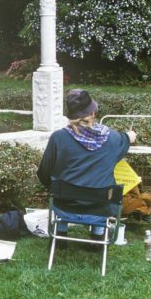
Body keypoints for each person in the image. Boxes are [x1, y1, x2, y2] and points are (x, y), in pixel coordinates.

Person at [37, 89, 136, 247]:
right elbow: (123, 143)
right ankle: (97, 239)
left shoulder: (58, 138)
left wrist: (55, 188)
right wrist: (129, 137)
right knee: (99, 182)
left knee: (62, 185)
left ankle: (60, 235)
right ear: (92, 112)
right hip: (99, 210)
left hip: (65, 207)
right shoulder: (114, 138)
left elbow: (44, 172)